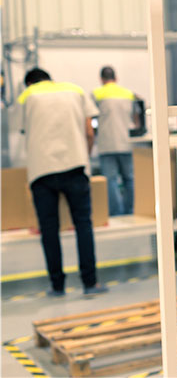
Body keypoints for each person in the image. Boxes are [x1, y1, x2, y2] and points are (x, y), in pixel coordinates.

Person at [19, 68, 108, 297]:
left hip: (42, 171)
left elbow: (24, 131)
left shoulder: (28, 97)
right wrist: (84, 156)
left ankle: (57, 286)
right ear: (50, 78)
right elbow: (90, 131)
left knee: (49, 230)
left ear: (30, 83)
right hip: (75, 165)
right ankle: (90, 283)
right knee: (83, 225)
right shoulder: (75, 90)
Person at [93, 66, 137, 216]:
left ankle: (116, 212)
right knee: (129, 179)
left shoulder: (97, 94)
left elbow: (91, 118)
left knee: (110, 180)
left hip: (107, 144)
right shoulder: (128, 94)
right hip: (127, 142)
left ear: (102, 79)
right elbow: (137, 113)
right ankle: (130, 210)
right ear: (116, 78)